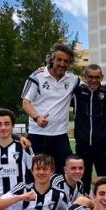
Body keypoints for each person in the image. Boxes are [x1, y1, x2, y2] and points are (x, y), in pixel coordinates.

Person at [21, 43, 81, 172]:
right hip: (37, 134)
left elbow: (91, 84)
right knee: (34, 172)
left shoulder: (73, 80)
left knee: (64, 172)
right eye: (59, 59)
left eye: (66, 61)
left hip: (60, 135)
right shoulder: (37, 76)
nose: (62, 64)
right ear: (52, 59)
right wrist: (37, 117)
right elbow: (25, 102)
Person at [72, 64, 106, 187]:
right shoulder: (77, 92)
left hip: (102, 145)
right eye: (90, 77)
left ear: (102, 77)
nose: (94, 80)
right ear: (84, 77)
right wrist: (44, 69)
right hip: (83, 144)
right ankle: (83, 197)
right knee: (82, 177)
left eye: (97, 77)